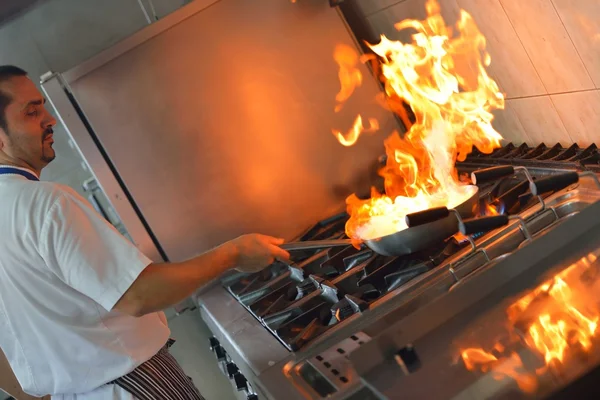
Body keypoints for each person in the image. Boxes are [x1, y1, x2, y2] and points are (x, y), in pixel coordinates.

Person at [0, 65, 291, 400]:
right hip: (134, 387)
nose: (50, 119)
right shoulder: (45, 204)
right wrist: (233, 254)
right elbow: (138, 295)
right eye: (31, 112)